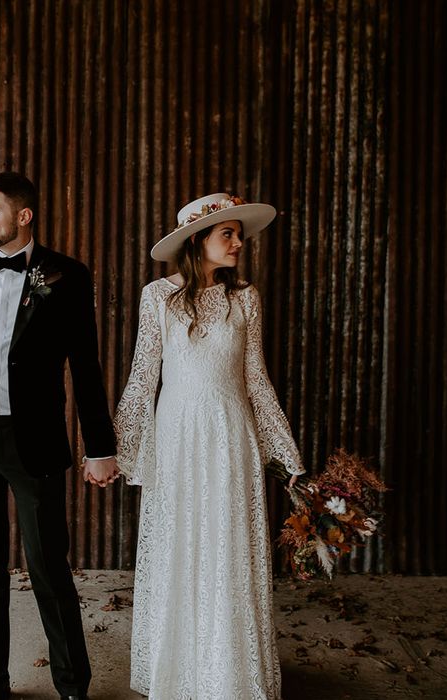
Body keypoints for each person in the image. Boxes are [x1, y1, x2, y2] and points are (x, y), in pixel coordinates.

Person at [0, 172, 119, 700]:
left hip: (32, 441)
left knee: (49, 567)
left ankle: (73, 686)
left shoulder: (66, 276)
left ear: (23, 216)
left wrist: (100, 446)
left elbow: (86, 364)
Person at [114, 193, 305, 699]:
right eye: (228, 234)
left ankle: (228, 675)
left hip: (230, 437)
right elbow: (142, 377)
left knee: (228, 548)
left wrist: (285, 453)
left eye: (239, 233)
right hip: (178, 438)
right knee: (181, 546)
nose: (239, 242)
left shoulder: (247, 299)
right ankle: (178, 673)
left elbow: (257, 381)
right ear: (199, 240)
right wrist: (122, 448)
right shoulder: (158, 296)